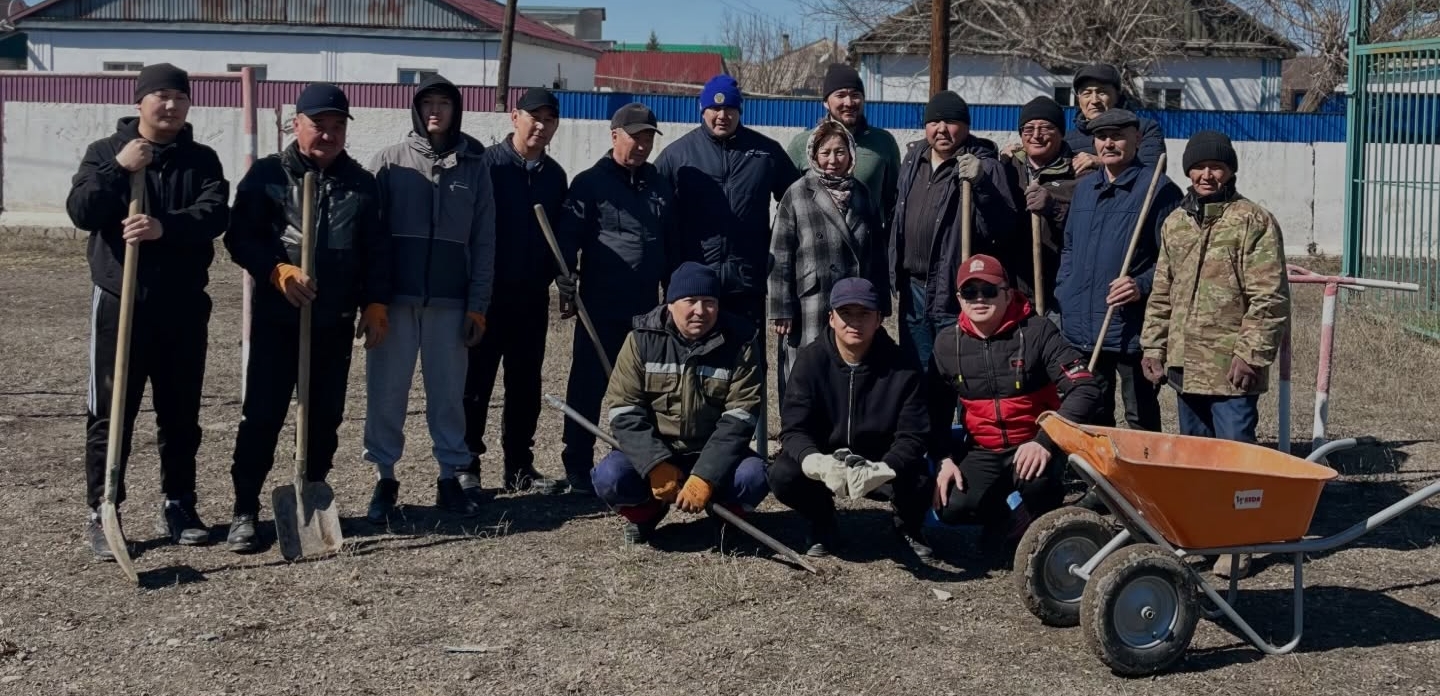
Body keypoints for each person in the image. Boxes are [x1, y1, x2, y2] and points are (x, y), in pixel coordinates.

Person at [67, 63, 230, 558]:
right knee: (111, 412)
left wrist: (165, 227)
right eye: (160, 95)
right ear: (140, 101)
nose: (171, 105)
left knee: (180, 413)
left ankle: (179, 502)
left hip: (181, 306)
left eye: (179, 96)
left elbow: (215, 213)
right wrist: (121, 167)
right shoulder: (105, 154)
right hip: (120, 303)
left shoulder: (202, 159)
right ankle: (104, 509)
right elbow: (81, 212)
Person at [223, 83, 390, 553]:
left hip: (333, 321)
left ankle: (311, 493)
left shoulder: (360, 183)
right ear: (296, 124)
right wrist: (276, 269)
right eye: (320, 125)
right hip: (280, 321)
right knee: (262, 417)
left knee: (324, 418)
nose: (329, 135)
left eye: (338, 127)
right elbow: (240, 238)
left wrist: (375, 303)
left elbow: (376, 251)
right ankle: (244, 509)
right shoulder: (267, 177)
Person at [1141, 130, 1290, 579]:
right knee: (1195, 459)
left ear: (1230, 171)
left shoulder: (1253, 221)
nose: (1207, 175)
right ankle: (1202, 536)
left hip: (1231, 369)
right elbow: (1162, 290)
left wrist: (1252, 354)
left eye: (1216, 167)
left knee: (1235, 459)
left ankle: (1240, 543)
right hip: (1186, 364)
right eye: (1199, 167)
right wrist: (1154, 344)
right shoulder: (1175, 223)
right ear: (1188, 171)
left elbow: (1270, 297)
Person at [362, 75, 496, 524]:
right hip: (394, 305)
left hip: (450, 304)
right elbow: (371, 238)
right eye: (427, 104)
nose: (435, 111)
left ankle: (449, 477)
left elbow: (484, 242)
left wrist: (477, 304)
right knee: (387, 392)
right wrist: (372, 300)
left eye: (444, 103)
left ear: (457, 109)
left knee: (448, 395)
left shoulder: (475, 166)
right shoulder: (388, 162)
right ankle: (385, 477)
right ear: (415, 110)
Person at [927, 255, 1101, 561]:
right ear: (959, 299)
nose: (979, 298)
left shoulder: (1038, 331)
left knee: (1039, 485)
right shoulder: (945, 345)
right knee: (949, 506)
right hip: (984, 448)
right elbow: (934, 412)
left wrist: (1046, 440)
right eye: (970, 292)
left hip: (1033, 443)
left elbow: (1085, 388)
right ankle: (1004, 519)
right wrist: (943, 458)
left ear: (1008, 293)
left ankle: (1036, 515)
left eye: (989, 290)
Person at [593, 263, 769, 544]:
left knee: (753, 477)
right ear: (671, 304)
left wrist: (705, 476)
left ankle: (726, 521)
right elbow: (624, 410)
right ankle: (647, 513)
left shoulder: (741, 342)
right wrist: (654, 465)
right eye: (691, 301)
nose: (700, 310)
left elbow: (741, 417)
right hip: (659, 450)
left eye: (709, 302)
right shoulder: (640, 340)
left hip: (711, 452)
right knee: (610, 477)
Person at [555, 102, 674, 493]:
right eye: (633, 137)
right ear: (614, 136)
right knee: (587, 385)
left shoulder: (659, 184)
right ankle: (576, 463)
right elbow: (567, 242)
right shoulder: (590, 184)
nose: (640, 145)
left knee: (648, 388)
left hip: (648, 310)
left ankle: (647, 460)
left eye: (646, 139)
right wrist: (566, 281)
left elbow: (671, 243)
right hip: (601, 306)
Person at [767, 278, 932, 559]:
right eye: (846, 314)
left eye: (864, 314)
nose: (854, 322)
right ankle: (822, 520)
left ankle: (907, 527)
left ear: (879, 319)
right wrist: (815, 461)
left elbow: (913, 434)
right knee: (783, 474)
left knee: (920, 479)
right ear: (831, 318)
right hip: (827, 457)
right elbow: (794, 428)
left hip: (879, 458)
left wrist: (885, 467)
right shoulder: (810, 361)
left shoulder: (903, 366)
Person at [464, 87, 570, 495]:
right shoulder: (487, 167)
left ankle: (519, 466)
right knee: (476, 382)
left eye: (549, 119)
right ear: (515, 117)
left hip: (530, 298)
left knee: (525, 384)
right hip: (487, 298)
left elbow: (559, 237)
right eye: (534, 117)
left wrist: (562, 278)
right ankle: (468, 463)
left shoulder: (555, 176)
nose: (541, 126)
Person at [1055, 108, 1181, 432]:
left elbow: (1175, 261)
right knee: (1094, 410)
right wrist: (1064, 288)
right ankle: (1101, 480)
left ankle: (1143, 479)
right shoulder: (1084, 189)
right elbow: (1069, 246)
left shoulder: (1158, 189)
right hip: (1083, 324)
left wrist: (1140, 284)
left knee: (1140, 414)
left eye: (1118, 136)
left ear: (1136, 139)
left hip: (1130, 327)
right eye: (1101, 137)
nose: (1108, 143)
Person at [655, 74, 800, 322]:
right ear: (702, 109)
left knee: (748, 356)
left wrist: (773, 243)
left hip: (747, 280)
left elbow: (797, 200)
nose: (722, 115)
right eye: (715, 107)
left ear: (739, 110)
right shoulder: (676, 156)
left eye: (730, 108)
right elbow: (655, 210)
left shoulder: (766, 152)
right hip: (695, 284)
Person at [890, 90, 1018, 369]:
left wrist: (982, 183)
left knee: (961, 374)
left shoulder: (986, 167)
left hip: (959, 290)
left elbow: (1003, 229)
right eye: (935, 122)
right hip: (914, 290)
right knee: (920, 374)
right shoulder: (913, 162)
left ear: (966, 126)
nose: (942, 129)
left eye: (951, 122)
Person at [768, 120, 890, 376]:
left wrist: (881, 304)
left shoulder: (862, 194)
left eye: (840, 152)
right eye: (825, 153)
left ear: (851, 154)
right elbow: (780, 255)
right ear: (813, 155)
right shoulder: (798, 193)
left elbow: (876, 252)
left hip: (854, 302)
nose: (833, 160)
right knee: (808, 370)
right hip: (811, 299)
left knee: (850, 368)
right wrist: (781, 308)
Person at [784, 64, 902, 228]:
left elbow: (894, 204)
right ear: (826, 102)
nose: (849, 102)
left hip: (865, 249)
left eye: (855, 95)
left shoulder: (883, 143)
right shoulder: (802, 144)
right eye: (840, 95)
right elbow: (786, 206)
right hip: (814, 249)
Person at [1001, 97, 1079, 313]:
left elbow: (1088, 229)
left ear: (1061, 132)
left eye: (1046, 127)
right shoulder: (1006, 170)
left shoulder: (1079, 174)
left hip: (1058, 295)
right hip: (1012, 293)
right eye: (1028, 129)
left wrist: (1053, 208)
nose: (1036, 135)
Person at [1064, 64, 1166, 173]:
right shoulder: (1067, 141)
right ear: (1078, 99)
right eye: (1087, 93)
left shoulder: (1144, 129)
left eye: (1102, 92)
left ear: (1117, 95)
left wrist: (1102, 162)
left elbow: (1151, 174)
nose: (1094, 100)